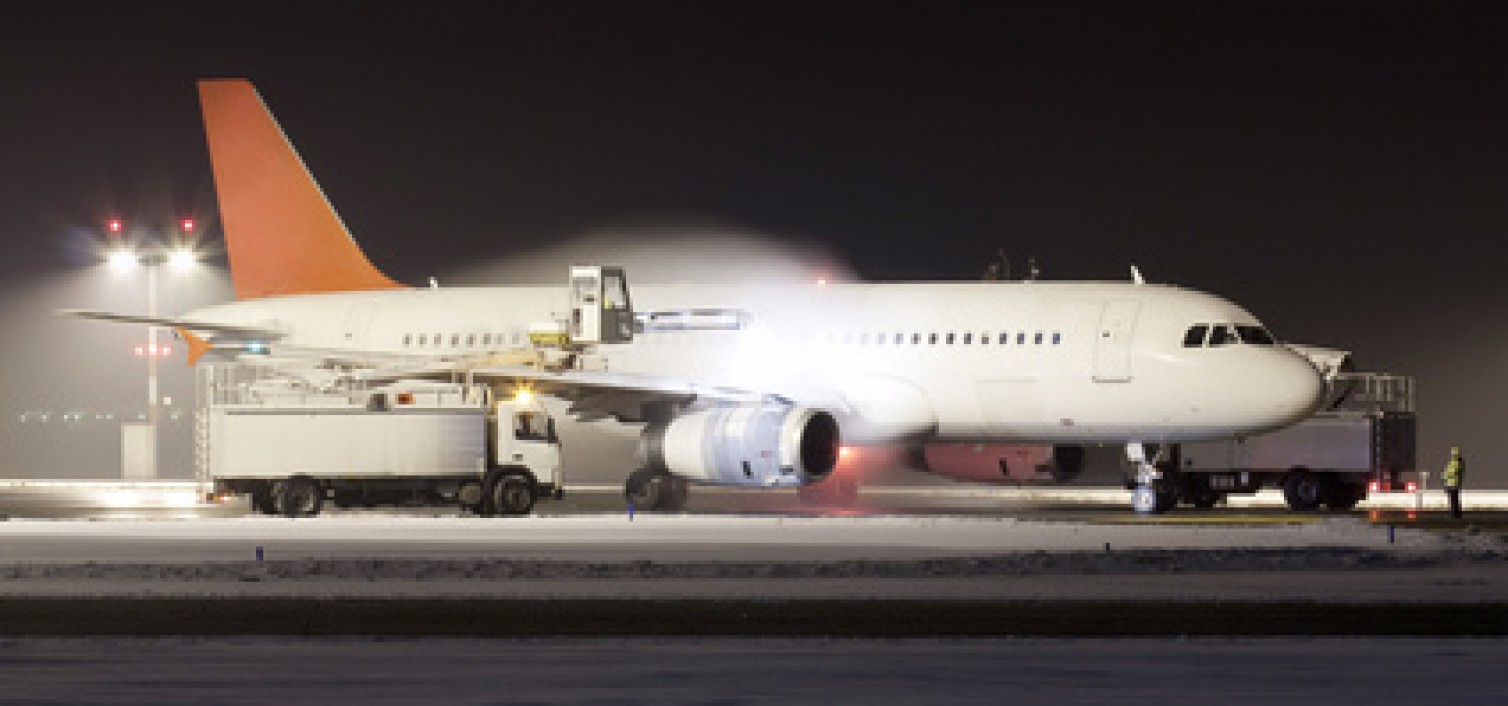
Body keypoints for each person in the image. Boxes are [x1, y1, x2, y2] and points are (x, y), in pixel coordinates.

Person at [1443, 446, 1466, 519]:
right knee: (1454, 499)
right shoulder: (1457, 462)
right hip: (1452, 483)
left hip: (1453, 483)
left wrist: (1445, 475)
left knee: (1453, 500)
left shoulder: (1456, 463)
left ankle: (1454, 514)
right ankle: (1455, 514)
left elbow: (1452, 472)